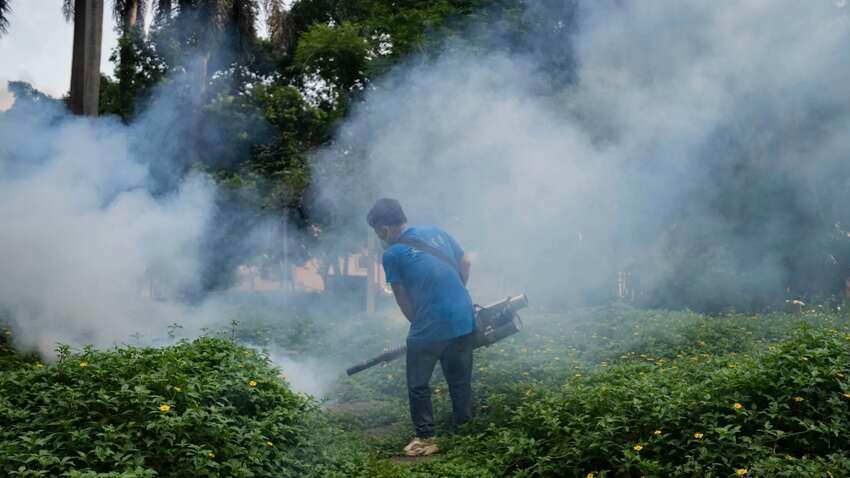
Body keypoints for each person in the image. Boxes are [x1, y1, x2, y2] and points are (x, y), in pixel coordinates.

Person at [367, 198, 476, 457]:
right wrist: (457, 294)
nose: (378, 237)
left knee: (418, 384)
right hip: (464, 317)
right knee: (459, 380)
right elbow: (466, 262)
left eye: (376, 232)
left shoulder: (392, 254)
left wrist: (419, 324)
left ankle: (426, 438)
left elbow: (401, 296)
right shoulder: (437, 231)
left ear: (383, 229)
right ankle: (466, 431)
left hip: (429, 325)